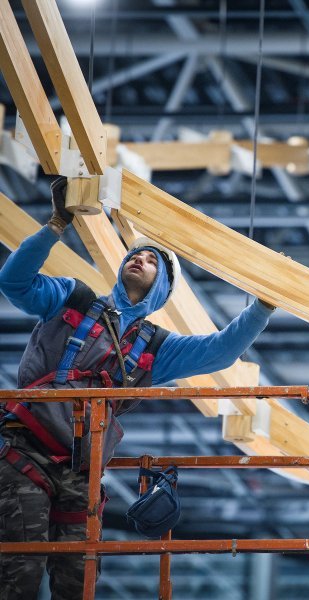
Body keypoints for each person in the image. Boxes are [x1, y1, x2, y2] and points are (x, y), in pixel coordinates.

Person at [0, 177, 274, 600]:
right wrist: (56, 224)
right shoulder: (72, 300)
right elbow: (14, 282)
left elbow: (220, 352)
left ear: (162, 288)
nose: (140, 258)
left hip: (80, 473)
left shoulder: (154, 348)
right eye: (136, 254)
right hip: (24, 453)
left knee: (79, 578)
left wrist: (263, 307)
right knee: (20, 569)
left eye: (152, 260)